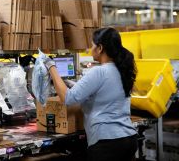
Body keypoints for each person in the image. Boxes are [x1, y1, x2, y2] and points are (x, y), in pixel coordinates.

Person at [44, 27, 138, 161]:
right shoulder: (122, 70)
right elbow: (103, 94)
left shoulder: (98, 72)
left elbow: (68, 98)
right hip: (128, 138)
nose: (90, 48)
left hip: (107, 143)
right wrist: (75, 86)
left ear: (100, 48)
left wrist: (51, 66)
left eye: (92, 44)